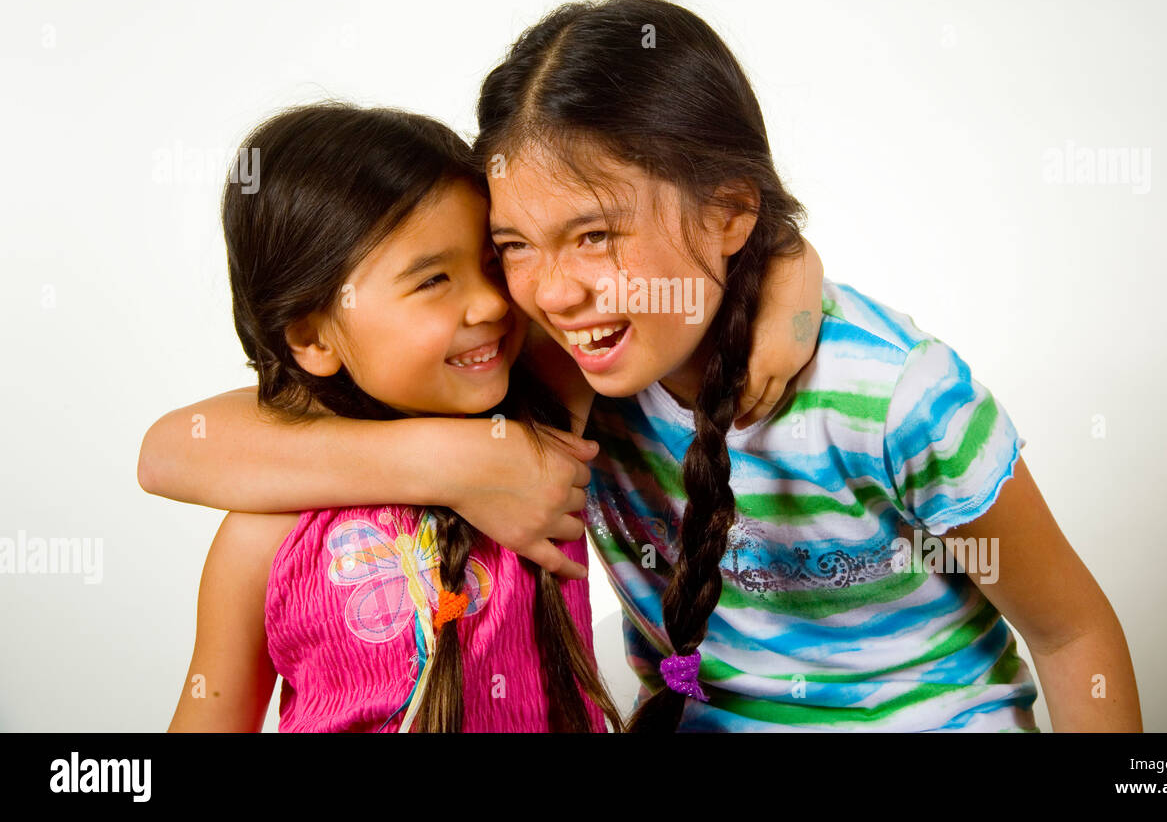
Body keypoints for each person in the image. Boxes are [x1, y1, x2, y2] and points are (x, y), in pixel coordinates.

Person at [148, 0, 1141, 732]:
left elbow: (1070, 632)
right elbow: (175, 452)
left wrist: (787, 274)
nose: (537, 294)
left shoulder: (888, 397)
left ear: (728, 212)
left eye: (591, 235)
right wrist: (452, 466)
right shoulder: (571, 384)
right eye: (517, 244)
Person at [156, 100, 827, 732]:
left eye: (491, 262)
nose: (491, 305)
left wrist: (794, 273)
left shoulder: (543, 413)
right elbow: (210, 706)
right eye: (433, 280)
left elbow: (726, 249)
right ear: (311, 335)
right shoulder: (268, 527)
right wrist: (450, 465)